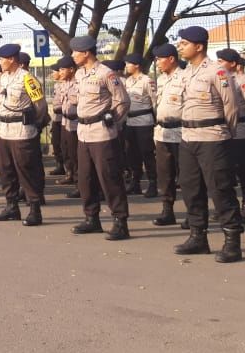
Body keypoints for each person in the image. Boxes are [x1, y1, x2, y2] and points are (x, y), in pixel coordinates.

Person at [173, 26, 244, 263]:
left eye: (184, 43)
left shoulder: (218, 72)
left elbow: (231, 107)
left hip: (212, 137)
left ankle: (232, 241)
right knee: (191, 188)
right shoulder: (184, 73)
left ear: (199, 46)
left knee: (220, 189)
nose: (180, 47)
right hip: (188, 137)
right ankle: (198, 237)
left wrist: (227, 134)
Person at [68, 37, 131, 239]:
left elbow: (122, 101)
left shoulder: (106, 73)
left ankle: (120, 221)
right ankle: (91, 218)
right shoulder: (79, 74)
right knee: (85, 178)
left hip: (102, 133)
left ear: (86, 52)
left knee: (109, 177)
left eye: (75, 52)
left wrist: (113, 121)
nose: (72, 55)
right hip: (83, 132)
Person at [0, 43, 48, 226]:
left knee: (26, 170)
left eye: (2, 59)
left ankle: (34, 209)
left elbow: (40, 106)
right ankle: (11, 206)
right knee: (5, 170)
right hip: (4, 131)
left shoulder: (27, 79)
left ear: (11, 59)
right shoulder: (4, 78)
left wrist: (34, 124)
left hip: (22, 131)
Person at [216, 49, 245, 224]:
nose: (218, 64)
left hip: (242, 132)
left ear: (233, 64)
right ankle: (230, 207)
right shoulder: (221, 80)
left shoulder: (244, 82)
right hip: (224, 132)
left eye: (222, 61)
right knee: (225, 172)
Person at [151, 44, 184, 226]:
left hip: (181, 132)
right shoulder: (162, 79)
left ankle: (192, 213)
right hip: (163, 133)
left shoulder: (185, 77)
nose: (157, 63)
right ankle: (167, 210)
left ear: (171, 59)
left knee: (186, 175)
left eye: (160, 59)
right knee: (165, 173)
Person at [122, 53, 157, 197]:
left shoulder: (147, 81)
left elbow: (155, 101)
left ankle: (153, 183)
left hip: (144, 121)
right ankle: (135, 183)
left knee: (147, 153)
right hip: (130, 122)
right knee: (132, 153)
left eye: (128, 63)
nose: (126, 66)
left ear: (136, 65)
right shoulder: (127, 81)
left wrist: (156, 120)